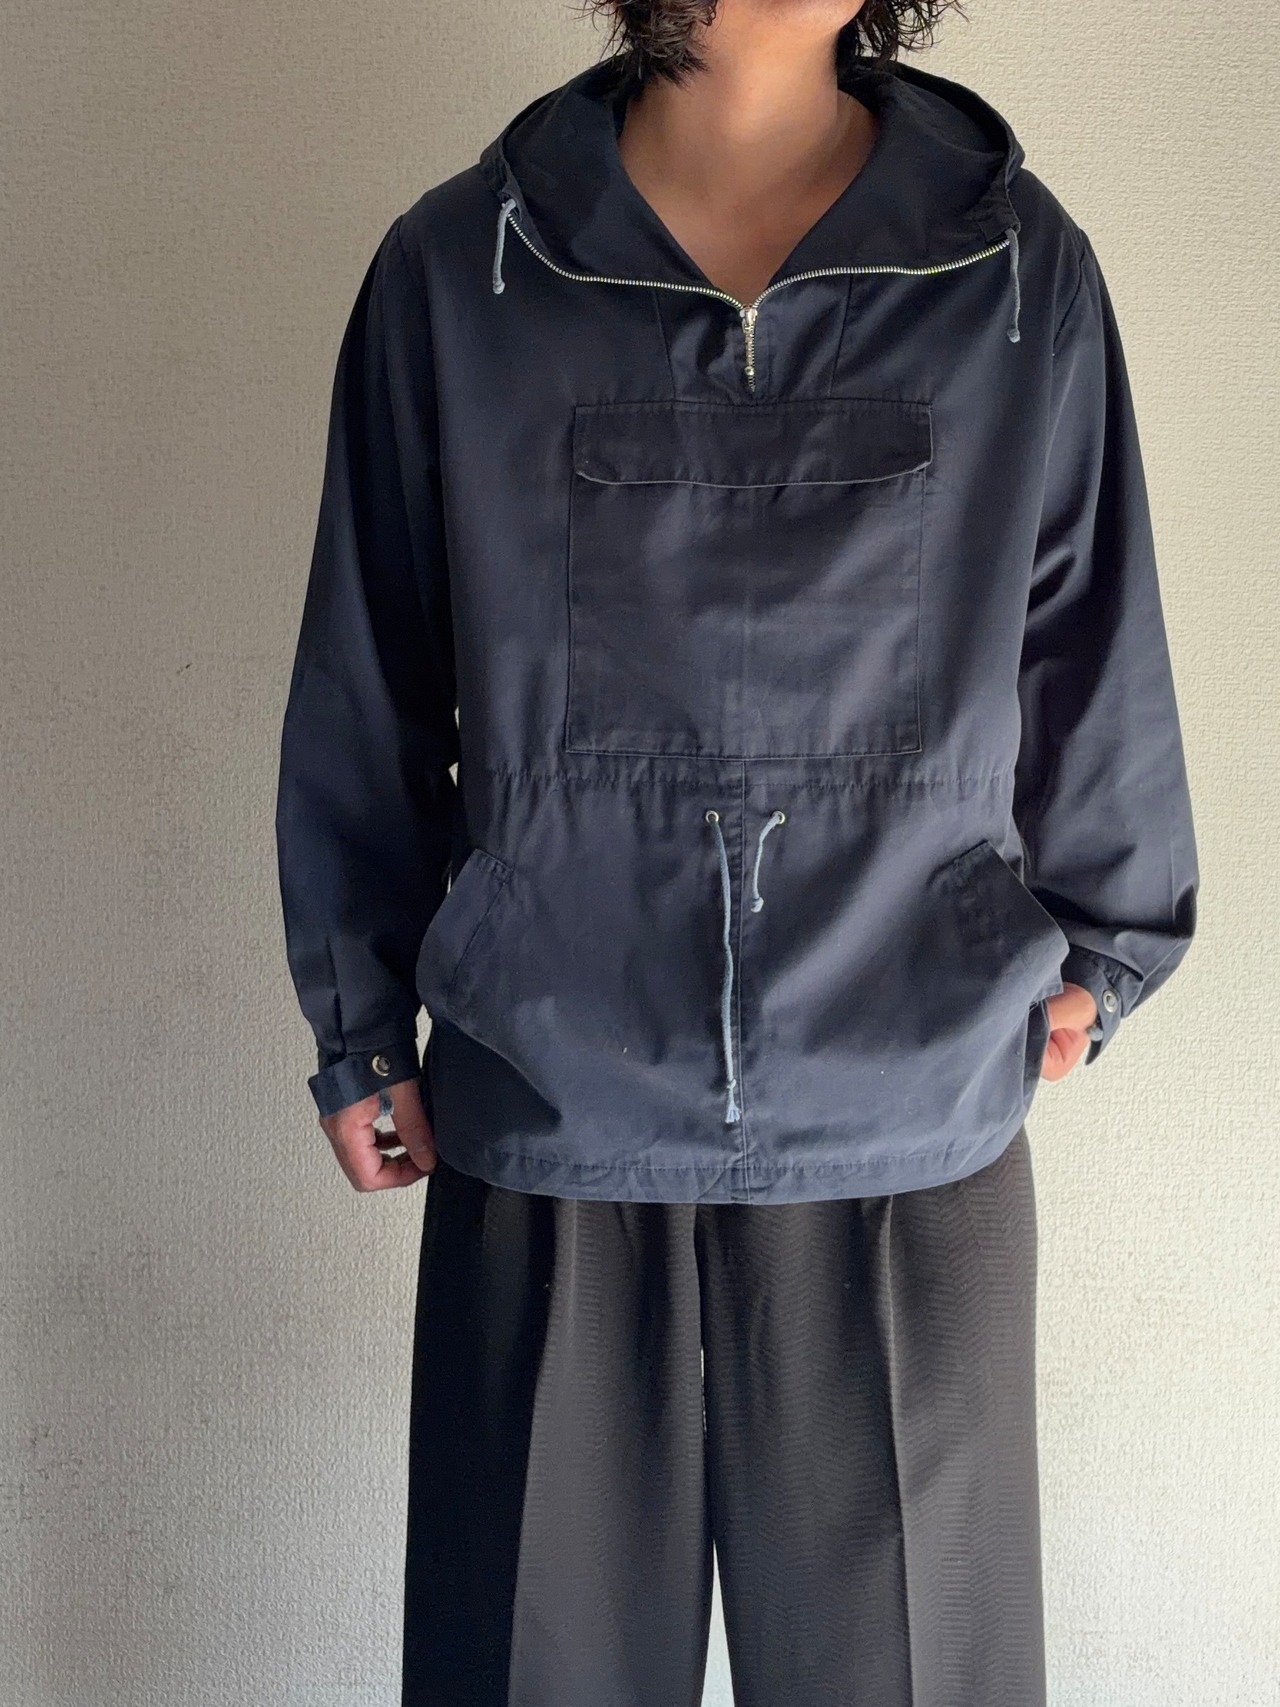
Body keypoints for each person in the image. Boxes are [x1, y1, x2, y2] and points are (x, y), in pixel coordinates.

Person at [274, 2, 1199, 1703]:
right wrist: (356, 1014)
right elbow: (371, 664)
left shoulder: (1011, 271)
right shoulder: (462, 270)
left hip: (909, 1104)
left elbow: (1089, 625)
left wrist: (1110, 936)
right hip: (548, 1096)